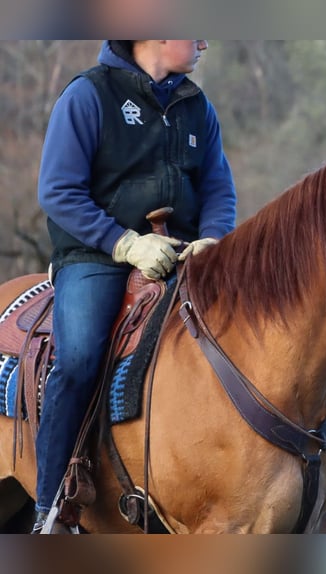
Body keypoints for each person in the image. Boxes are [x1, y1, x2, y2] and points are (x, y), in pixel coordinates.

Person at [34, 40, 237, 533]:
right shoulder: (87, 95)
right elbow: (57, 191)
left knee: (257, 330)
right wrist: (124, 243)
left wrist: (212, 239)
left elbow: (218, 188)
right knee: (79, 358)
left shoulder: (196, 104)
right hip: (96, 256)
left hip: (183, 255)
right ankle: (51, 508)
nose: (204, 40)